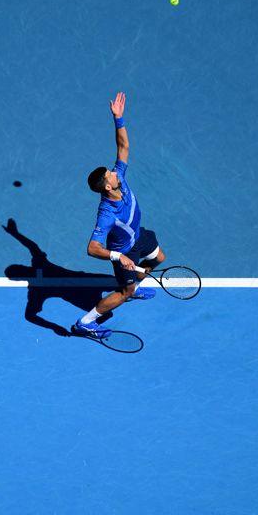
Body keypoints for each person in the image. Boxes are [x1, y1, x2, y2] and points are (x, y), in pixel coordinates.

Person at [72, 91, 166, 339]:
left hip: (139, 236)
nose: (114, 171)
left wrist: (118, 118)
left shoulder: (119, 178)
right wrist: (117, 257)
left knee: (158, 258)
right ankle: (85, 323)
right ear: (107, 186)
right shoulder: (106, 214)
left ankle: (133, 285)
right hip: (124, 251)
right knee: (123, 292)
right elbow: (92, 248)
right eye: (110, 174)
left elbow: (123, 146)